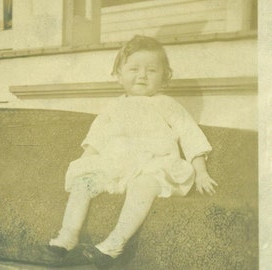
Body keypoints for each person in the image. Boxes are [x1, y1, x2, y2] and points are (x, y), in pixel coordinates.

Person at [42, 35, 218, 268]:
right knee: (83, 181)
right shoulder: (114, 106)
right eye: (134, 69)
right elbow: (96, 140)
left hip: (154, 165)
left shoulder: (167, 104)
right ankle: (66, 237)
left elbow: (190, 136)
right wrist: (86, 166)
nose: (142, 75)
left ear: (164, 77)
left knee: (142, 186)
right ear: (119, 75)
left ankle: (114, 244)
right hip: (117, 165)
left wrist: (201, 172)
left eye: (152, 70)